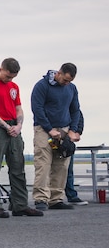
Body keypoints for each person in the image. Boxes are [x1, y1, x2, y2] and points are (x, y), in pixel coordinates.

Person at [0, 58, 43, 218]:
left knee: (18, 167)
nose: (9, 80)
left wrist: (18, 125)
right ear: (1, 69)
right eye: (8, 76)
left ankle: (20, 204)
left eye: (12, 77)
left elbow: (18, 108)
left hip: (14, 128)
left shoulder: (14, 87)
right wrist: (5, 126)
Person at [30, 63, 81, 210]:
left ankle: (56, 198)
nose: (66, 83)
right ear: (58, 73)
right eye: (65, 80)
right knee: (43, 164)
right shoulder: (42, 86)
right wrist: (49, 129)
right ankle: (41, 198)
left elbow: (75, 110)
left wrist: (73, 130)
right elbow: (37, 108)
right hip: (43, 129)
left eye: (69, 81)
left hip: (64, 129)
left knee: (62, 165)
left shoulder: (71, 88)